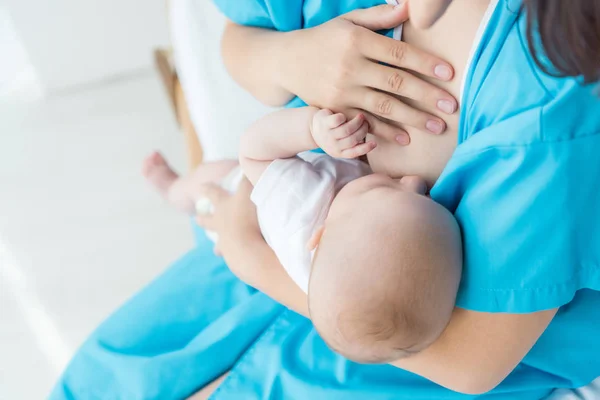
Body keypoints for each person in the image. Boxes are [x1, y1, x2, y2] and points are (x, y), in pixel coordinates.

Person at [50, 0, 600, 399]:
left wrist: (255, 258)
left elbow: (471, 363)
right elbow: (241, 40)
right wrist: (290, 57)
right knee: (103, 379)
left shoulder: (552, 110)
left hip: (423, 355)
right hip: (267, 264)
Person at [142, 106, 462, 364]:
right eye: (425, 197)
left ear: (319, 235)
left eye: (385, 188)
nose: (414, 181)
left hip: (232, 197)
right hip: (258, 231)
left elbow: (253, 150)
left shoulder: (303, 202)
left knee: (206, 179)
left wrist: (310, 129)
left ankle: (172, 188)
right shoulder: (354, 268)